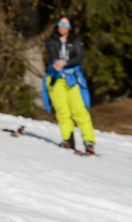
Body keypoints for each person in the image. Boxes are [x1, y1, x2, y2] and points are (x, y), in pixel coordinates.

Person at [43, 16, 96, 155]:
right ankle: (68, 139)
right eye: (60, 24)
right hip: (56, 78)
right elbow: (52, 54)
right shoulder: (51, 39)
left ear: (70, 27)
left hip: (73, 78)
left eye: (66, 25)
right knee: (62, 111)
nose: (62, 27)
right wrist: (56, 62)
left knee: (79, 110)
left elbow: (79, 57)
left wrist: (65, 63)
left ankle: (88, 141)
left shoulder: (76, 40)